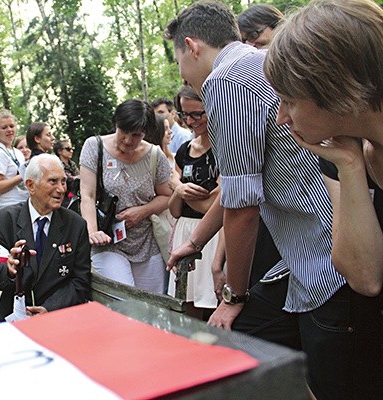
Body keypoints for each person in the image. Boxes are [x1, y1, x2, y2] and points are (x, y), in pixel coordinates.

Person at [163, 2, 357, 398]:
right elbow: (240, 185)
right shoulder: (261, 60)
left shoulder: (225, 82)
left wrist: (233, 296)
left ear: (191, 45)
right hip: (306, 255)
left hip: (327, 260)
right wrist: (197, 241)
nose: (182, 74)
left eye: (178, 61)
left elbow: (243, 207)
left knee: (327, 382)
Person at [264, 1, 382, 396]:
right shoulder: (348, 154)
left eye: (289, 99)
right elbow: (364, 275)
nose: (282, 117)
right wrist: (349, 166)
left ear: (331, 87)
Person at [79, 99, 172, 294]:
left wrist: (143, 211)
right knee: (125, 300)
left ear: (145, 133)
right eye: (124, 132)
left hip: (145, 240)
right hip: (108, 240)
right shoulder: (94, 147)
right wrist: (92, 231)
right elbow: (87, 194)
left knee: (151, 306)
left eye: (136, 135)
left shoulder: (155, 155)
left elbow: (166, 196)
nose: (128, 140)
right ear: (116, 125)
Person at [0, 154, 91, 323]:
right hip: (13, 319)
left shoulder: (76, 225)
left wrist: (51, 308)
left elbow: (80, 280)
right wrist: (9, 270)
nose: (61, 189)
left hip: (59, 318)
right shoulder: (3, 221)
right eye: (53, 181)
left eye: (63, 182)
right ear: (31, 186)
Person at [168, 85, 221, 319]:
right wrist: (178, 188)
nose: (190, 121)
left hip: (215, 234)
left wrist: (178, 187)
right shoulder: (184, 150)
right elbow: (175, 209)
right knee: (186, 303)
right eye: (184, 115)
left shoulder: (225, 149)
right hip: (185, 230)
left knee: (213, 301)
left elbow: (215, 206)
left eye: (197, 114)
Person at [0, 110, 28, 213]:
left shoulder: (17, 152)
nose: (9, 130)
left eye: (12, 126)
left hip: (22, 204)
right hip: (8, 208)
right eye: (4, 127)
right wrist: (22, 175)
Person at [54, 139, 80, 208]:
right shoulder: (56, 165)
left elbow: (79, 178)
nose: (71, 151)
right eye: (68, 149)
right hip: (63, 198)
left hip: (75, 195)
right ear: (59, 151)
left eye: (72, 149)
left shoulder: (73, 164)